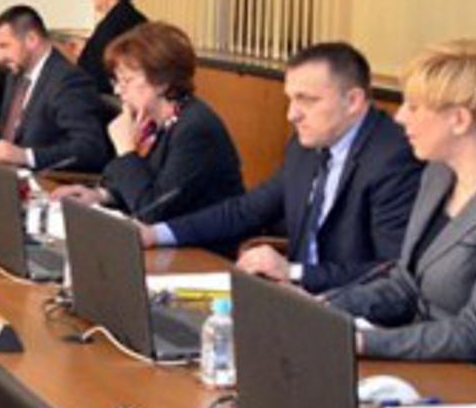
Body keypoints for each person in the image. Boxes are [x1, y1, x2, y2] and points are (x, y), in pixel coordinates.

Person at [326, 40, 476, 382]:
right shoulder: (439, 173)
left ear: (459, 120)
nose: (399, 117)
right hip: (425, 360)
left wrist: (362, 342)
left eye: (414, 107)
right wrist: (327, 308)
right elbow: (406, 284)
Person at [139, 43, 420, 293]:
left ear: (353, 101)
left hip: (354, 313)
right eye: (290, 99)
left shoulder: (392, 158)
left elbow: (392, 272)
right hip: (296, 300)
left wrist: (294, 272)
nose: (292, 115)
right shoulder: (305, 145)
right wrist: (155, 234)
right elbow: (245, 210)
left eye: (306, 100)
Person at [52, 22, 242, 223]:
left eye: (127, 80)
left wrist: (126, 149)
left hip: (204, 240)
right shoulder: (151, 122)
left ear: (162, 81)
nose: (117, 90)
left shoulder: (195, 129)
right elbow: (132, 185)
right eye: (116, 81)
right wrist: (100, 195)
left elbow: (153, 209)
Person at [0, 5, 109, 173]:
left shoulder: (68, 81)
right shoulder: (16, 75)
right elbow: (11, 132)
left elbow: (89, 148)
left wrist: (26, 156)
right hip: (3, 175)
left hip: (45, 181)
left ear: (32, 40)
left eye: (5, 46)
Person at [75, 0, 146, 95]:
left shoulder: (110, 26)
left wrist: (85, 54)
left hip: (108, 99)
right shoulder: (139, 19)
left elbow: (97, 72)